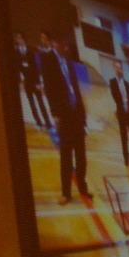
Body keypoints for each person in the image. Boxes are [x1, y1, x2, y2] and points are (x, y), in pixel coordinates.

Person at [38, 32, 90, 204]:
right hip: (64, 115)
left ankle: (83, 189)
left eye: (66, 45)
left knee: (81, 156)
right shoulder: (48, 60)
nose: (65, 47)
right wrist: (55, 115)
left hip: (77, 115)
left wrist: (83, 118)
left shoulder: (68, 61)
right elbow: (49, 89)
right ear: (55, 43)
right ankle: (66, 192)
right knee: (66, 156)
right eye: (62, 44)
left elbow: (75, 89)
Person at [14, 32, 50, 129]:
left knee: (40, 102)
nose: (19, 40)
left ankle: (48, 123)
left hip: (35, 80)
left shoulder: (31, 50)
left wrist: (39, 81)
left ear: (24, 39)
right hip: (27, 81)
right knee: (32, 103)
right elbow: (17, 67)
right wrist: (19, 79)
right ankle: (38, 122)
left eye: (21, 38)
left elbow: (37, 67)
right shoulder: (17, 52)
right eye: (18, 39)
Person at [108, 61, 129, 166]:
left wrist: (127, 105)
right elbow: (115, 96)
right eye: (117, 68)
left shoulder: (127, 83)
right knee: (124, 136)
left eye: (120, 68)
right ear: (114, 69)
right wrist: (121, 106)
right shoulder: (112, 82)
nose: (119, 70)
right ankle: (126, 158)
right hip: (121, 111)